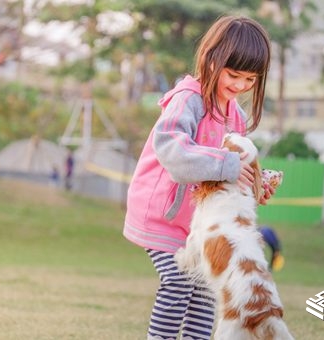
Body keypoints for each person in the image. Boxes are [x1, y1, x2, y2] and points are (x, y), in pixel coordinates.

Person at [123, 15, 273, 340]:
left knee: (207, 287)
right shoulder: (188, 100)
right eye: (233, 75)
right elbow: (173, 151)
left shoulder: (236, 115)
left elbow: (233, 167)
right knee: (178, 281)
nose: (240, 86)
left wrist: (256, 182)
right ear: (211, 58)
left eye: (250, 79)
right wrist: (229, 165)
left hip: (200, 223)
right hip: (163, 215)